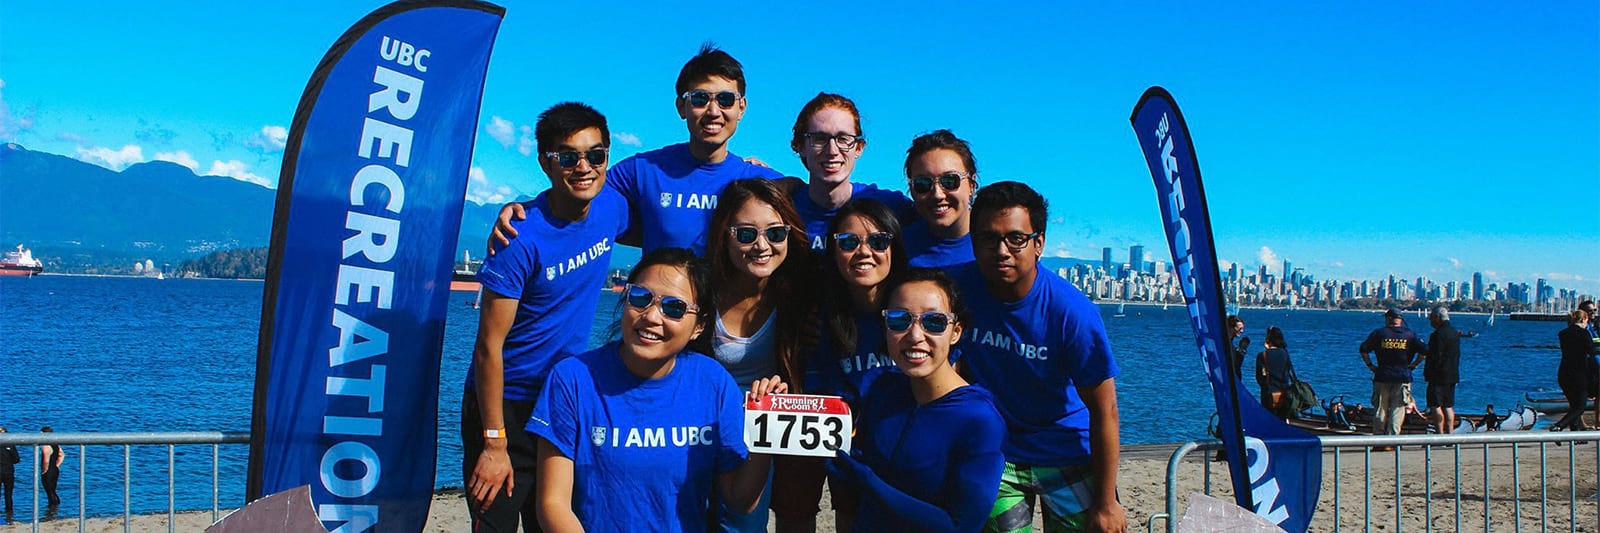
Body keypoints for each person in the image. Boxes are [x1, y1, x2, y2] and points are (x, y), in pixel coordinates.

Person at [528, 248, 781, 532]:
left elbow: (739, 499)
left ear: (699, 326)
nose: (651, 316)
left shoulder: (714, 383)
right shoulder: (572, 379)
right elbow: (552, 504)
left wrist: (767, 426)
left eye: (674, 308)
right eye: (641, 298)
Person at [463, 103, 629, 531]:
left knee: (554, 522)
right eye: (568, 156)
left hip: (561, 403)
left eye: (595, 155)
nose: (584, 167)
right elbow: (487, 348)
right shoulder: (519, 238)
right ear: (546, 163)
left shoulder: (612, 207)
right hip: (505, 405)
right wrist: (494, 442)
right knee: (494, 523)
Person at [492, 44, 782, 256]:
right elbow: (581, 190)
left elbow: (813, 198)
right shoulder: (643, 170)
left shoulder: (757, 178)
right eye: (700, 99)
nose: (713, 111)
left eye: (726, 99)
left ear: (741, 108)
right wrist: (528, 209)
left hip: (727, 332)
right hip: (661, 323)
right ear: (681, 107)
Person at [953, 182, 1125, 532]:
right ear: (973, 242)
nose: (1002, 250)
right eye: (989, 238)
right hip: (1000, 452)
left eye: (1016, 239)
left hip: (1066, 450)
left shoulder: (1071, 311)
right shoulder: (957, 291)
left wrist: (1107, 503)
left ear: (1039, 243)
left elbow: (1104, 408)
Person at [828, 268, 1006, 532]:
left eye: (934, 322)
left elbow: (959, 526)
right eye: (900, 320)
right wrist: (772, 403)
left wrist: (868, 481)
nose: (915, 335)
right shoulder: (883, 388)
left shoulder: (980, 420)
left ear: (956, 331)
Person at [784, 199, 911, 532]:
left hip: (911, 464)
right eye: (849, 242)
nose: (864, 252)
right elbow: (817, 398)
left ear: (894, 247)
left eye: (879, 241)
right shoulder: (821, 322)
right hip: (851, 466)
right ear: (833, 251)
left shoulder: (916, 314)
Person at [703, 179, 817, 532]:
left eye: (776, 233)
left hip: (756, 437)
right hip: (698, 428)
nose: (762, 246)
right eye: (746, 233)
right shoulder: (700, 289)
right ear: (724, 233)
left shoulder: (799, 295)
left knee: (742, 523)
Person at [786, 93, 914, 253]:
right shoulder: (783, 208)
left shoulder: (890, 206)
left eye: (843, 139)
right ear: (801, 147)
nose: (832, 150)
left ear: (859, 148)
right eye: (819, 139)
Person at [902, 130, 979, 268]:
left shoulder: (997, 243)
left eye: (950, 181)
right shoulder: (896, 250)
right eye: (923, 184)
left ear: (971, 185)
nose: (938, 194)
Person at [1358, 308, 1427, 444]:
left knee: (1380, 409)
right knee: (1398, 409)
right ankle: (1392, 440)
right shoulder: (1410, 335)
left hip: (1382, 374)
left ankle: (1378, 439)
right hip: (1402, 376)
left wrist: (1370, 366)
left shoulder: (1379, 334)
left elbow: (1363, 349)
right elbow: (1425, 351)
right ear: (1400, 319)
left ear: (1388, 318)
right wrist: (1414, 365)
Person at [1553, 310, 1595, 431]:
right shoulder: (1584, 333)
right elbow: (1591, 352)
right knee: (1580, 406)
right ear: (1583, 320)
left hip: (1564, 372)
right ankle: (1559, 426)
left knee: (1574, 405)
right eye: (1586, 321)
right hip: (1580, 373)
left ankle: (1574, 435)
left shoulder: (1563, 334)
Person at [1423, 306, 1461, 434]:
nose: (1430, 321)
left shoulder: (1437, 335)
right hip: (1452, 374)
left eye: (1431, 318)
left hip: (1438, 375)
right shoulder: (1454, 333)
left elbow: (1435, 356)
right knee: (1449, 406)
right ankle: (1450, 434)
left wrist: (1428, 372)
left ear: (1437, 318)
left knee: (1435, 405)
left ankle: (1439, 434)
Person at [1254, 327, 1295, 419]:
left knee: (1268, 419)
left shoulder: (1262, 355)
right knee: (1282, 419)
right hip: (1284, 391)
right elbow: (1287, 371)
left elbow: (1259, 376)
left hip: (1269, 392)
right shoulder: (1285, 353)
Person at [39, 426, 61, 508]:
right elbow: (62, 454)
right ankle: (55, 508)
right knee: (53, 490)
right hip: (55, 469)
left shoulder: (46, 445)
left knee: (49, 491)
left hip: (48, 471)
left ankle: (52, 507)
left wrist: (44, 469)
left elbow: (46, 459)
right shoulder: (55, 444)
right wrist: (57, 464)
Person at [1227, 315, 1250, 380]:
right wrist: (1241, 351)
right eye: (1239, 328)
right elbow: (1234, 366)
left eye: (1242, 329)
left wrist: (1242, 351)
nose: (1242, 331)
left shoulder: (1230, 343)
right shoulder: (1226, 344)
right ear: (1231, 328)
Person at [0, 426, 17, 516]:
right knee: (8, 494)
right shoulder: (10, 445)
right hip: (8, 471)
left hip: (5, 471)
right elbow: (16, 459)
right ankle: (9, 512)